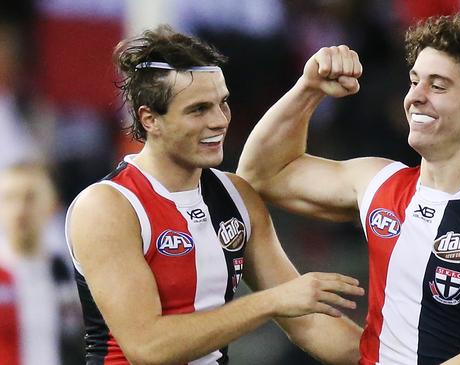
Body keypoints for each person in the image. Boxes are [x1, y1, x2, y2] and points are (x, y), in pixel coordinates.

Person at [238, 13, 460, 364]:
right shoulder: (379, 181)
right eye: (414, 81)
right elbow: (260, 174)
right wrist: (308, 90)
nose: (415, 96)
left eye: (437, 85)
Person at [65, 26, 365, 365]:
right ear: (150, 119)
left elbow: (309, 324)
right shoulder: (109, 206)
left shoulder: (236, 197)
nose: (219, 121)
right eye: (199, 110)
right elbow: (148, 347)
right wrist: (270, 301)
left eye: (222, 103)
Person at [0, 163, 82, 365]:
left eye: (30, 198)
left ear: (52, 204)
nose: (20, 209)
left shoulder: (70, 274)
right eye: (10, 198)